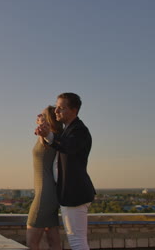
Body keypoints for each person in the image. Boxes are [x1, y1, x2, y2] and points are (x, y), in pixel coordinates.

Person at [35, 92, 96, 250]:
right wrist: (46, 130)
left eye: (61, 108)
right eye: (56, 107)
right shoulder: (69, 130)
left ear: (74, 110)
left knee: (77, 241)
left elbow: (68, 146)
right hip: (71, 193)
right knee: (76, 240)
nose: (56, 111)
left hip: (75, 193)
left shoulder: (79, 130)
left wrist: (48, 134)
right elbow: (60, 142)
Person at [27, 106, 63, 250]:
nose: (37, 115)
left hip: (44, 195)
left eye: (41, 114)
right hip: (51, 194)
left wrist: (45, 133)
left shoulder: (50, 138)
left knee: (31, 243)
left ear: (48, 119)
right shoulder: (48, 137)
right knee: (53, 241)